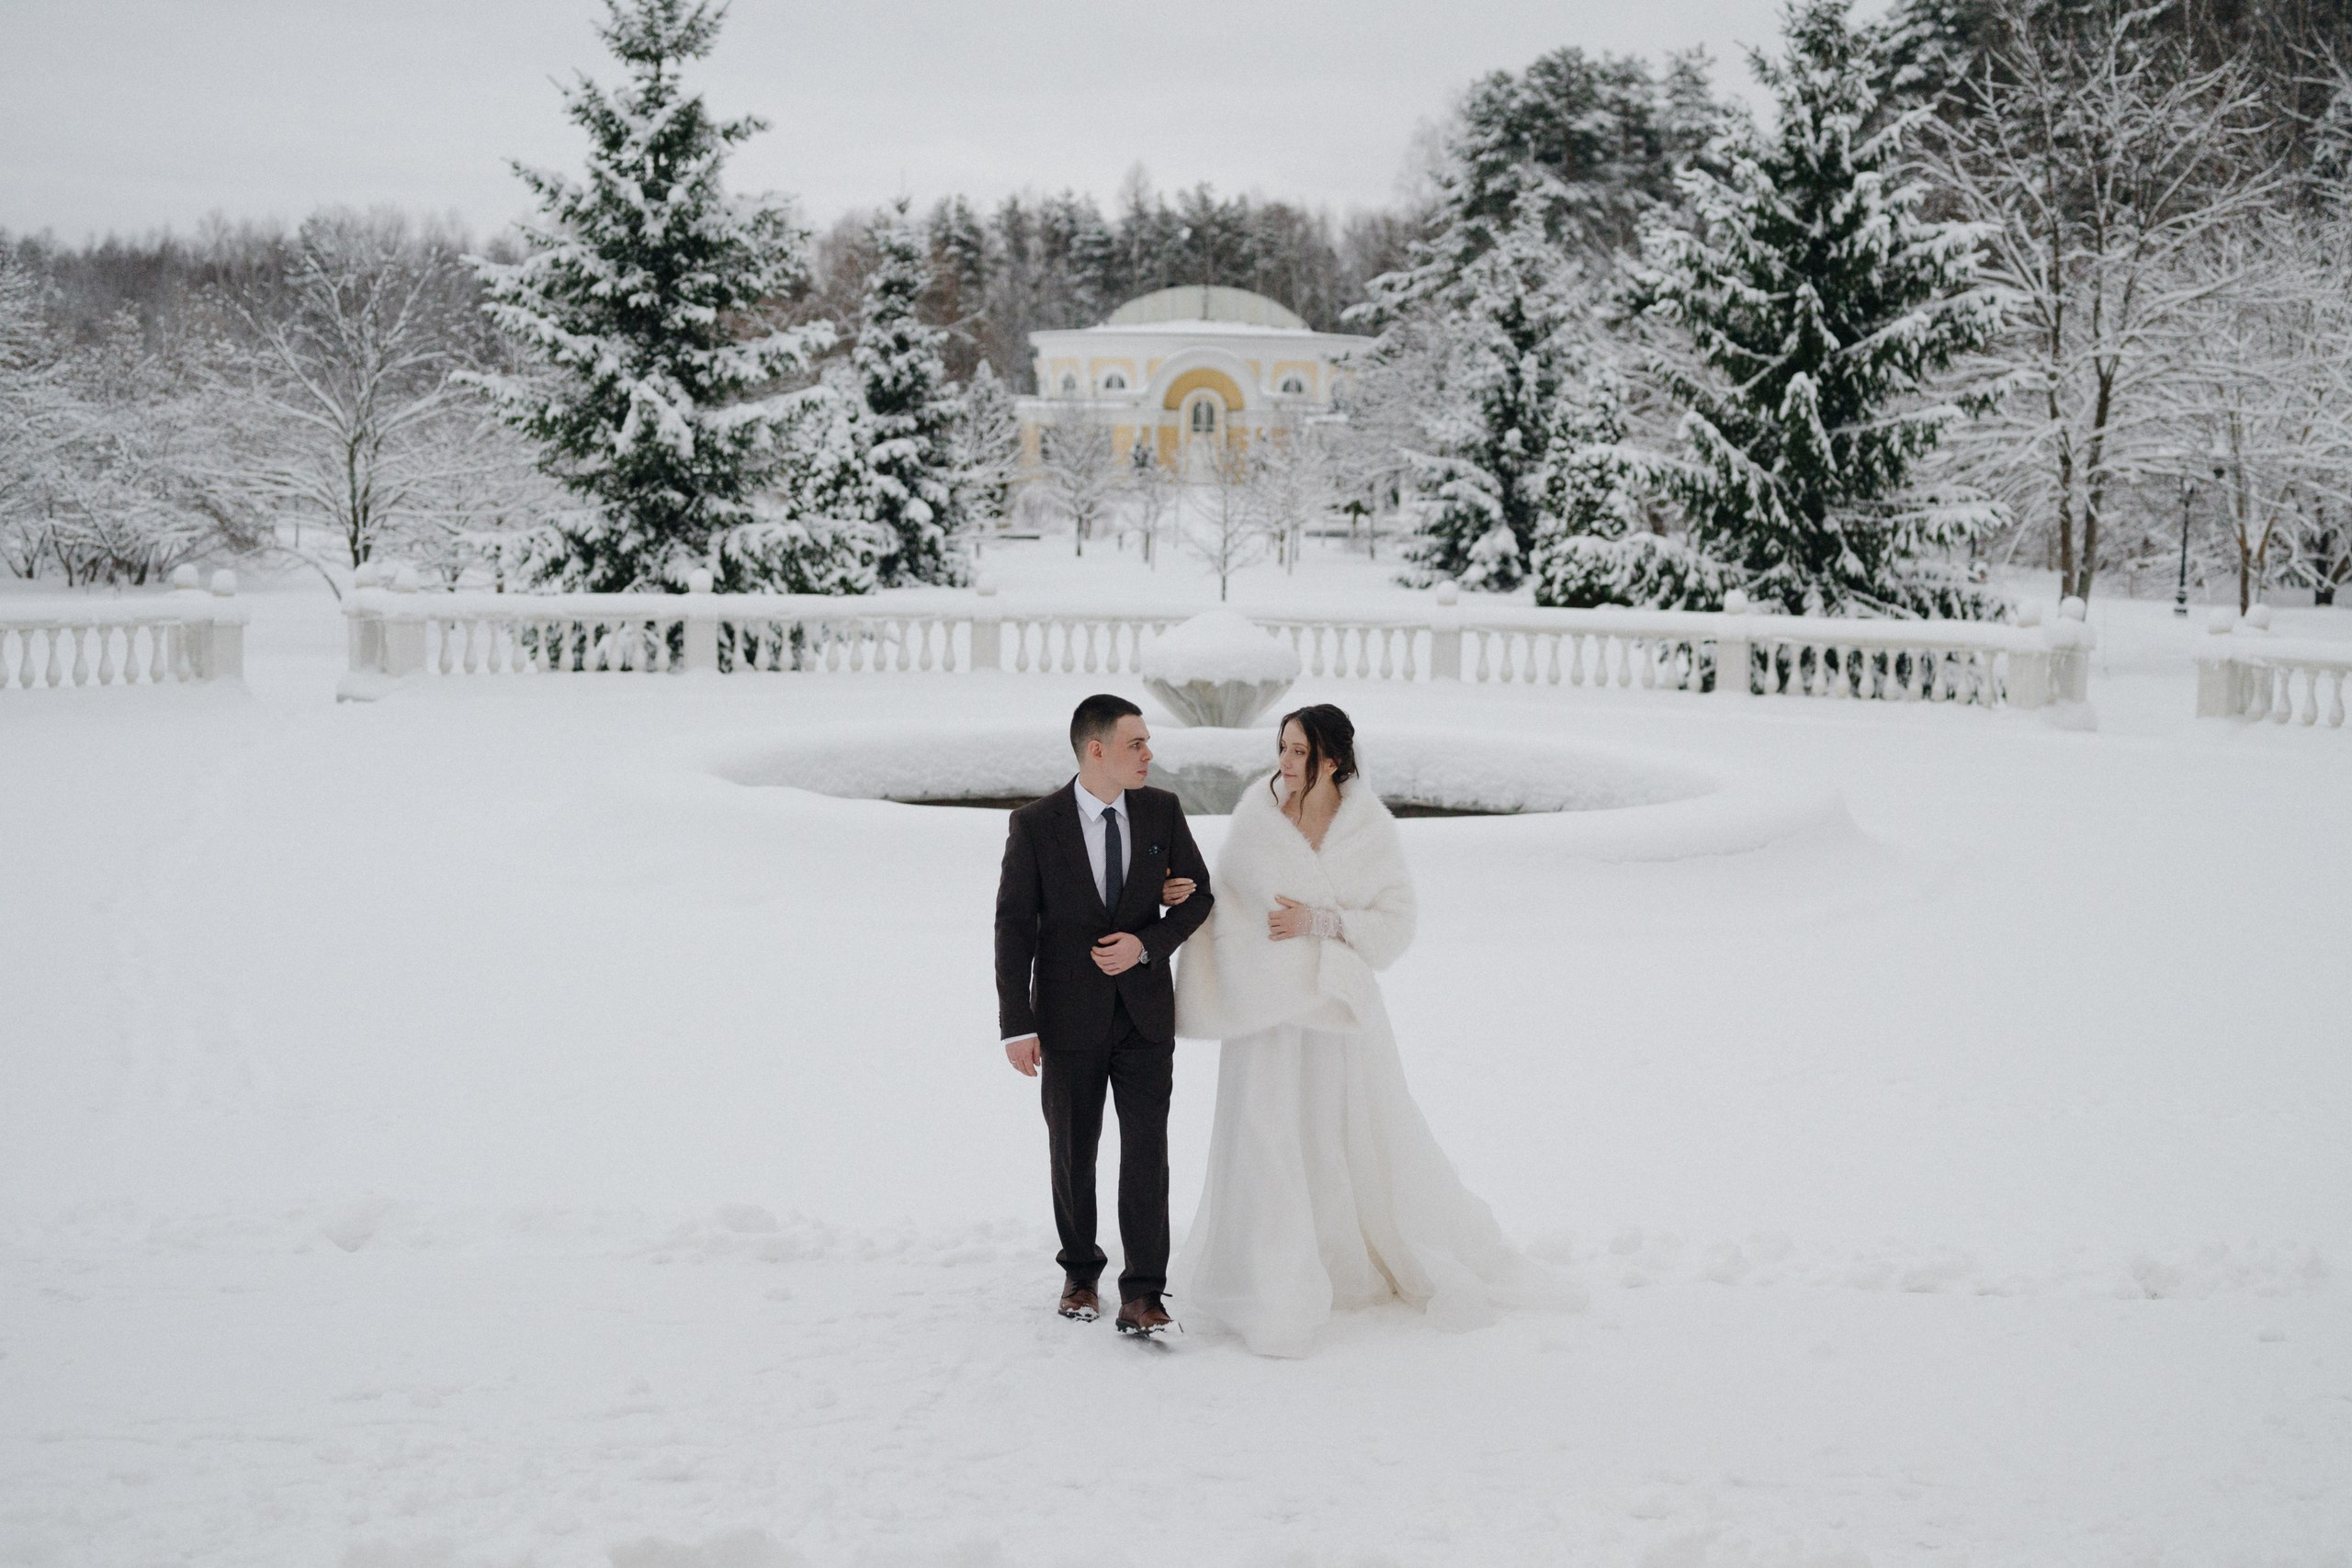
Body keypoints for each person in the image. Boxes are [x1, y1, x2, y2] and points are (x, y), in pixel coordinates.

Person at [1167, 704, 1569, 1357]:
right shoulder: (1258, 815)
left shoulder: (1366, 828)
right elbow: (1229, 906)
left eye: (1299, 752)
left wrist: (1321, 922)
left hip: (1335, 1010)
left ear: (1332, 759)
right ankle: (1271, 1282)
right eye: (1282, 748)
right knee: (1263, 1137)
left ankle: (1335, 1257)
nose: (1286, 763)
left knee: (1333, 1135)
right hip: (1265, 1017)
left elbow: (1395, 922)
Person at [994, 694, 1215, 1337]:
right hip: (1066, 1018)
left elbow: (1199, 895)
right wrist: (1017, 1022)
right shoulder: (1035, 825)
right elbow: (1013, 928)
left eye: (1148, 742)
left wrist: (1147, 943)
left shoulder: (1162, 811)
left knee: (1148, 1154)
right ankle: (1081, 1270)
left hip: (1145, 1017)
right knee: (1073, 1150)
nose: (1149, 754)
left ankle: (1144, 1290)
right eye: (1136, 744)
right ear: (1097, 750)